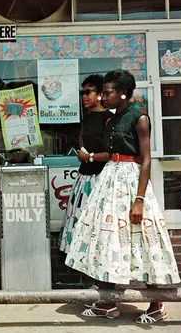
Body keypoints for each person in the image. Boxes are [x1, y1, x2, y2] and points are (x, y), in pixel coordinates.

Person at [65, 69, 180, 324]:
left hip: (130, 182)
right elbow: (109, 152)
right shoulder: (112, 120)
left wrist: (139, 199)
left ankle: (156, 305)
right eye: (103, 92)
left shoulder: (139, 118)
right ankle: (107, 302)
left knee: (144, 238)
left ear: (123, 93)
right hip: (110, 179)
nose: (104, 97)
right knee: (107, 237)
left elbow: (146, 159)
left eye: (108, 92)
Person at [59, 75, 114, 253]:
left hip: (102, 177)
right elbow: (82, 137)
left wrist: (89, 156)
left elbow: (113, 153)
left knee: (99, 223)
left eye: (88, 92)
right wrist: (82, 150)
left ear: (100, 94)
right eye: (82, 92)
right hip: (84, 178)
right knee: (82, 221)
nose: (84, 96)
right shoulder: (88, 118)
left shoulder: (109, 119)